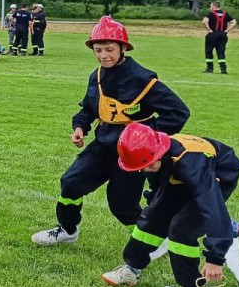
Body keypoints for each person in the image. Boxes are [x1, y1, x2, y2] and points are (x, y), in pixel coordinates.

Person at [33, 17, 190, 246]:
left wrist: (145, 136)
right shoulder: (96, 76)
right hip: (103, 145)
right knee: (71, 183)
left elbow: (178, 113)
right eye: (98, 50)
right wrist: (80, 126)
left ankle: (154, 239)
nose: (103, 55)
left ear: (123, 48)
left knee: (122, 206)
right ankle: (67, 230)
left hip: (131, 153)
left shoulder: (143, 79)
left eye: (109, 49)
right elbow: (89, 107)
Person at [101, 123, 239, 287]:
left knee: (181, 229)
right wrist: (155, 203)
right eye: (141, 168)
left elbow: (213, 207)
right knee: (152, 218)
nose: (146, 169)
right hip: (179, 177)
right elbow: (157, 183)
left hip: (217, 177)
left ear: (158, 153)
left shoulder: (193, 165)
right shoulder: (152, 157)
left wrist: (215, 258)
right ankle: (131, 269)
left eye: (149, 165)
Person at [201, 0, 235, 75]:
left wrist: (209, 29)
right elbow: (234, 22)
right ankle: (223, 70)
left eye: (211, 6)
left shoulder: (210, 13)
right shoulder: (225, 14)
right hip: (222, 35)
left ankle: (210, 68)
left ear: (213, 6)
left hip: (212, 34)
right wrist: (227, 30)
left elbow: (204, 21)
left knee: (209, 51)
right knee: (221, 51)